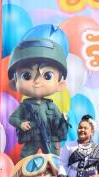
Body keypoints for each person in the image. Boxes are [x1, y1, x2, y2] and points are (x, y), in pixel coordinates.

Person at [7, 27, 69, 158]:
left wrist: (63, 120)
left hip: (50, 139)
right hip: (32, 139)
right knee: (25, 159)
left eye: (47, 76)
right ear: (14, 84)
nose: (36, 82)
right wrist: (21, 124)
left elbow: (58, 122)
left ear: (60, 84)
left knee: (54, 159)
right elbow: (12, 118)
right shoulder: (25, 105)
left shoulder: (51, 106)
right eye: (27, 76)